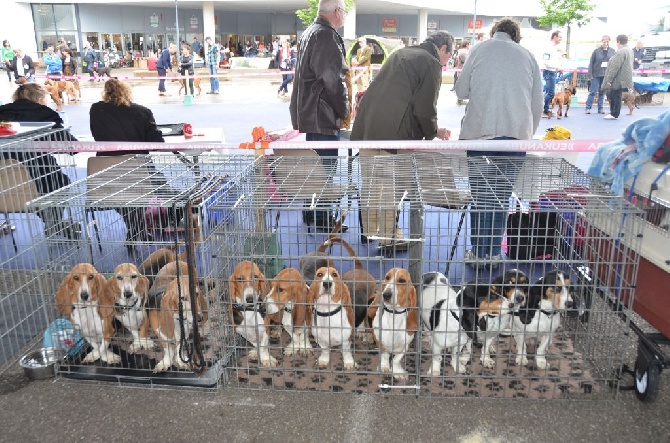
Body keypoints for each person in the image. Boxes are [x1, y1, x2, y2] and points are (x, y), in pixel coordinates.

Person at [351, 31, 454, 249]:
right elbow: (425, 108)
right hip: (395, 135)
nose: (446, 62)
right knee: (390, 188)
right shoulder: (431, 62)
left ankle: (371, 232)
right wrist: (434, 131)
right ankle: (389, 238)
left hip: (368, 128)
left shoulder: (401, 53)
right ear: (443, 48)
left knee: (371, 184)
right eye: (449, 56)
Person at [455, 17, 543, 268]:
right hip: (515, 139)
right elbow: (537, 104)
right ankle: (493, 253)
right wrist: (526, 133)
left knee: (481, 197)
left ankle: (478, 253)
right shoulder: (528, 56)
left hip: (481, 137)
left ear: (494, 33)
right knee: (501, 197)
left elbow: (461, 92)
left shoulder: (479, 49)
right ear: (516, 36)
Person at [290, 0, 351, 232]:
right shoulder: (326, 36)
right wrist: (344, 110)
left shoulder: (310, 32)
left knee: (315, 167)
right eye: (343, 11)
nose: (344, 16)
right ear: (337, 12)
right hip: (323, 114)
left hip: (310, 112)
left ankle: (311, 212)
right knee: (325, 168)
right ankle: (324, 219)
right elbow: (332, 81)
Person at [89, 79, 166, 243]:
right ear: (128, 92)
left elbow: (96, 135)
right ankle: (140, 226)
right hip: (138, 169)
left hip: (104, 171)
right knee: (160, 185)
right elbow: (157, 143)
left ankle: (135, 226)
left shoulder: (96, 109)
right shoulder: (142, 111)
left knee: (123, 194)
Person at [0, 83, 78, 238]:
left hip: (4, 180)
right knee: (61, 185)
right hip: (39, 173)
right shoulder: (44, 114)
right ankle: (53, 221)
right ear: (40, 97)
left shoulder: (2, 112)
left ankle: (52, 221)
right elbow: (70, 146)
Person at [602, 34, 634, 120]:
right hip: (624, 78)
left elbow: (614, 67)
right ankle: (615, 113)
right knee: (617, 96)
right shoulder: (629, 50)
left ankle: (614, 113)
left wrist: (609, 79)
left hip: (618, 79)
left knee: (614, 96)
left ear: (619, 41)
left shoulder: (620, 52)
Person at [585, 35, 615, 115]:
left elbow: (613, 63)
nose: (605, 43)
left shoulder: (612, 51)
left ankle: (600, 108)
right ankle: (588, 108)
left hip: (606, 75)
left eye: (607, 42)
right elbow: (591, 63)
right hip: (596, 74)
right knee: (593, 91)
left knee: (602, 92)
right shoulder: (596, 51)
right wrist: (590, 74)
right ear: (602, 42)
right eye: (604, 41)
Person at [541, 30, 563, 118]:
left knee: (549, 92)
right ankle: (545, 110)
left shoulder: (554, 48)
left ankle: (546, 110)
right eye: (560, 37)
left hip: (553, 72)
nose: (561, 39)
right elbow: (545, 62)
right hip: (549, 72)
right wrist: (556, 67)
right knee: (550, 93)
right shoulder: (548, 47)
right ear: (555, 37)